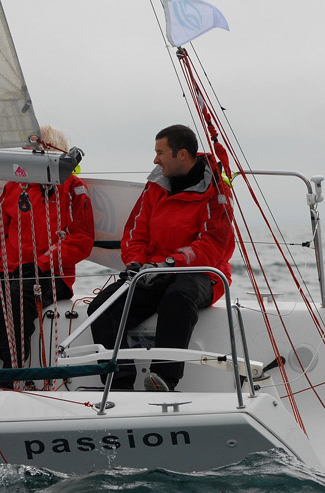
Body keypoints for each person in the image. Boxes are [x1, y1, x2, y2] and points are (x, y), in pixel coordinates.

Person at [86, 124, 235, 391]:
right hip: (152, 270)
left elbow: (212, 246)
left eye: (161, 152)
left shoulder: (217, 192)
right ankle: (119, 383)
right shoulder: (155, 186)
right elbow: (135, 231)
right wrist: (135, 264)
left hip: (201, 273)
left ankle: (164, 379)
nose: (155, 160)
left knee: (177, 298)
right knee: (102, 308)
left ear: (182, 155)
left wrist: (169, 264)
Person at [0, 125, 95, 389]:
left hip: (52, 276)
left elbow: (81, 240)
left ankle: (13, 376)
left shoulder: (74, 189)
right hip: (10, 273)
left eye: (31, 150)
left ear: (49, 151)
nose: (25, 155)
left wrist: (41, 264)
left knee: (16, 297)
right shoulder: (14, 189)